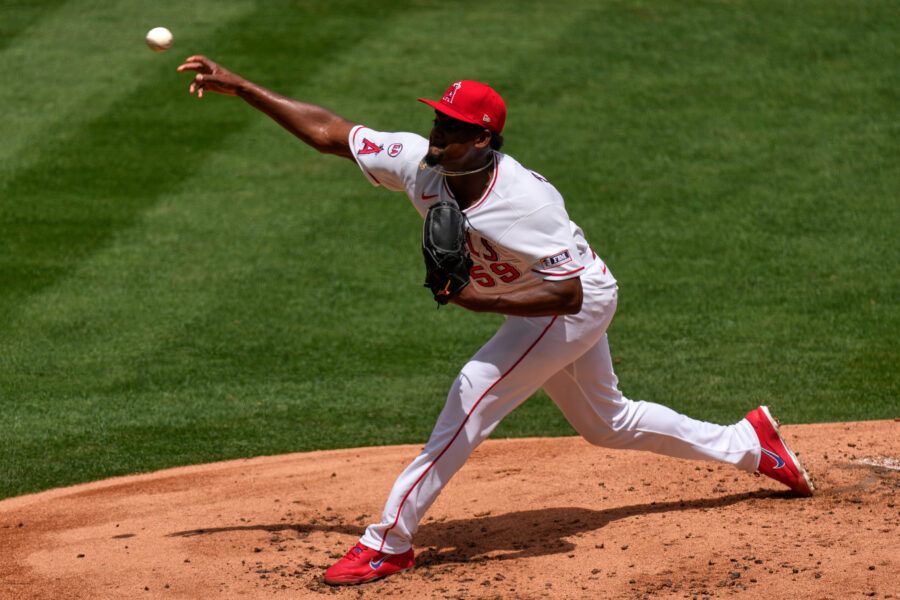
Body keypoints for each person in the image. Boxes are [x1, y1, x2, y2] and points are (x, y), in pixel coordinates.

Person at [177, 56, 815, 586]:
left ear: (482, 138)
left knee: (473, 389)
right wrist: (243, 88)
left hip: (573, 299)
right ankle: (750, 443)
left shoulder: (525, 203)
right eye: (437, 120)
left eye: (452, 128)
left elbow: (566, 298)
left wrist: (480, 303)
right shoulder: (422, 164)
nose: (437, 136)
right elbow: (331, 132)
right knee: (607, 423)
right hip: (551, 298)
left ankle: (388, 541)